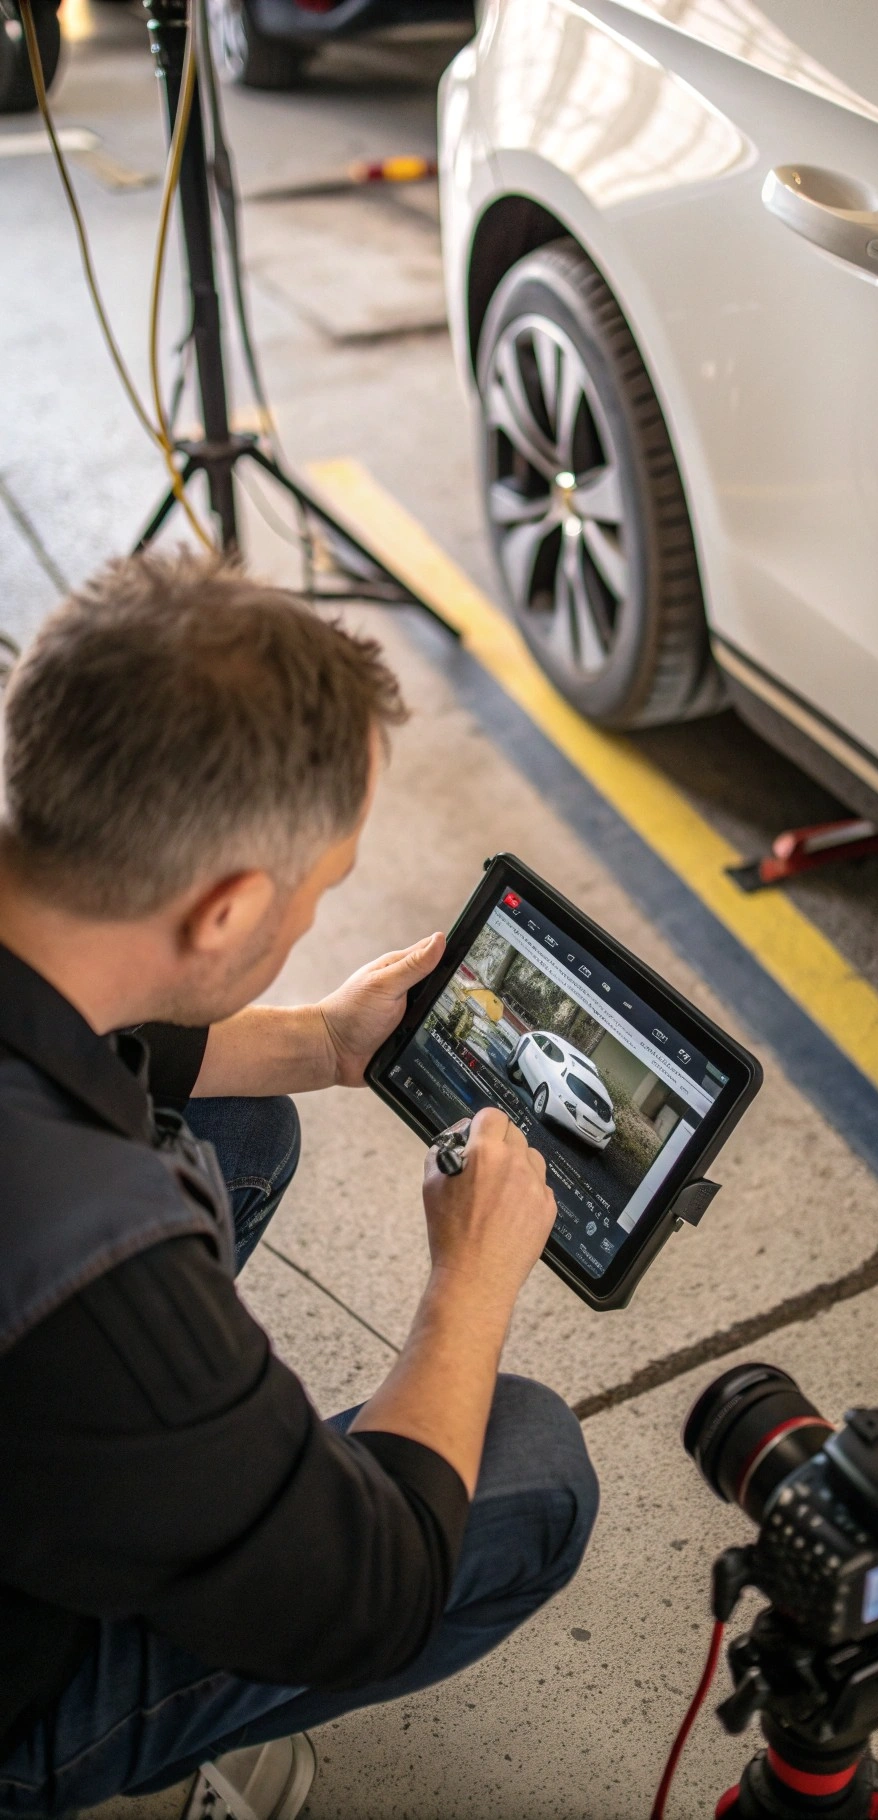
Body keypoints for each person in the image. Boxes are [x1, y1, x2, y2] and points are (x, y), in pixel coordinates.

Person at [0, 554, 599, 1820]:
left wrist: (328, 1041)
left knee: (243, 1123)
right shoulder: (95, 1270)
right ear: (224, 910)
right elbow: (372, 1589)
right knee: (531, 1468)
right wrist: (469, 1280)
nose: (315, 912)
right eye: (317, 889)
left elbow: (111, 1036)